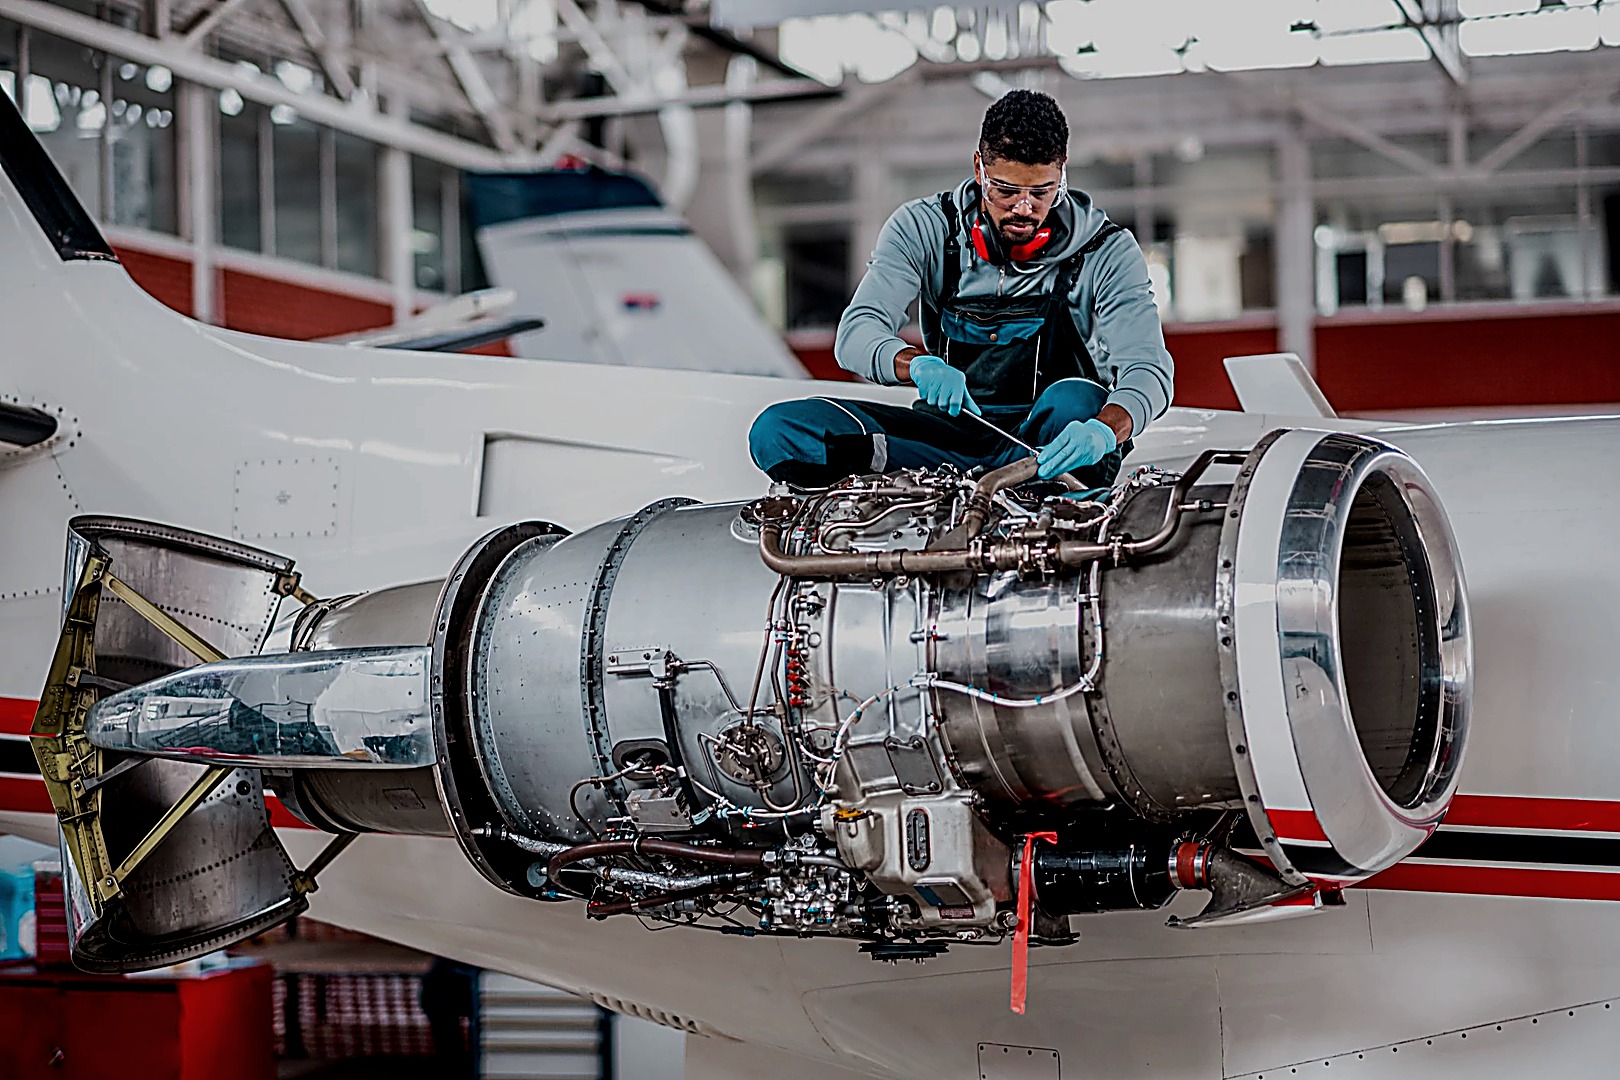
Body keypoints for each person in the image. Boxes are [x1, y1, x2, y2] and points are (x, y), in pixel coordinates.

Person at [749, 89, 1173, 490]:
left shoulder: (1106, 250)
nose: (1024, 208)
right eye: (1006, 190)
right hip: (947, 440)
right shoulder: (922, 228)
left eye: (1041, 192)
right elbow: (856, 334)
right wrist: (915, 365)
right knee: (781, 430)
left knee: (1076, 399)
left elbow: (1149, 369)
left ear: (1062, 173)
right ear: (978, 168)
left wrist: (1106, 429)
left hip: (1048, 450)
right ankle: (965, 484)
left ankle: (1016, 487)